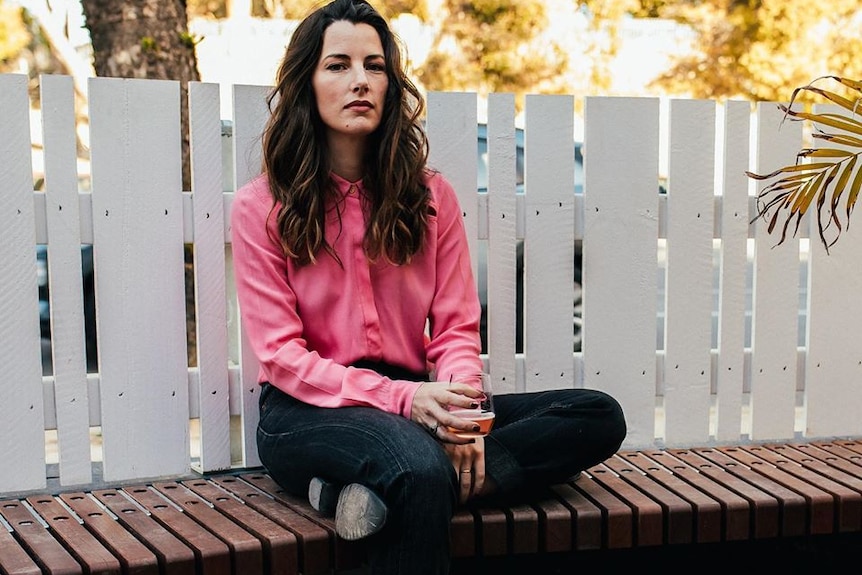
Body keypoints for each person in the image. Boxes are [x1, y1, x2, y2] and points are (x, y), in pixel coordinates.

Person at [229, 1, 627, 573]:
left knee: (594, 414)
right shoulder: (262, 206)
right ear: (306, 84)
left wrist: (460, 415)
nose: (360, 80)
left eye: (375, 65)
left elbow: (457, 327)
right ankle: (411, 477)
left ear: (392, 84)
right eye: (337, 65)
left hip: (420, 403)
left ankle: (359, 495)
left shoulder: (430, 197)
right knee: (416, 464)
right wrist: (407, 403)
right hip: (308, 410)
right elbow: (282, 357)